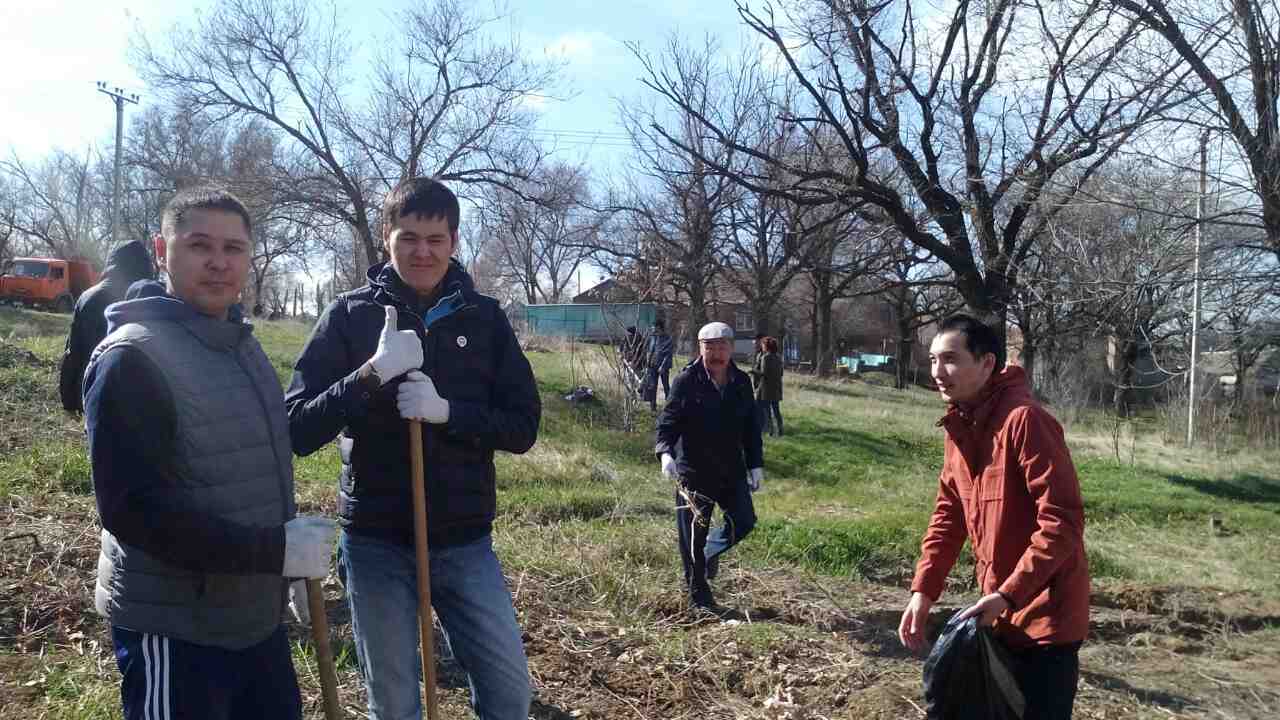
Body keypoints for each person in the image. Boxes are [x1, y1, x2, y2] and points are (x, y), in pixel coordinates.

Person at [286, 177, 540, 720]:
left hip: (465, 539)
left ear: (454, 242)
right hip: (376, 540)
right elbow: (297, 430)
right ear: (386, 238)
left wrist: (448, 412)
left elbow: (523, 427)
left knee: (509, 694)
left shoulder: (485, 318)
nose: (422, 251)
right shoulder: (349, 316)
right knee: (395, 704)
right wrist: (371, 375)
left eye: (436, 239)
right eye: (408, 237)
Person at [82, 187, 336, 720]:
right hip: (176, 629)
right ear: (161, 249)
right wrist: (274, 552)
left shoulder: (242, 346)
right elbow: (134, 512)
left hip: (253, 621)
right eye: (200, 245)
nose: (219, 263)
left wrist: (282, 569)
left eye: (234, 249)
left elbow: (251, 467)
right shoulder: (133, 358)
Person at [899, 314, 1089, 720]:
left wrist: (1008, 595)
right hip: (999, 615)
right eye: (933, 360)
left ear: (987, 364)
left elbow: (1062, 522)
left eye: (949, 359)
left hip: (1045, 623)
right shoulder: (960, 425)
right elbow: (948, 517)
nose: (937, 372)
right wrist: (923, 591)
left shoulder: (1025, 421)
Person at [655, 321, 763, 610]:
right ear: (700, 348)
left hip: (731, 470)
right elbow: (668, 422)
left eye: (721, 346)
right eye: (709, 347)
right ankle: (699, 599)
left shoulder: (742, 382)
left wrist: (755, 465)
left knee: (743, 521)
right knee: (692, 540)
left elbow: (751, 426)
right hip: (694, 472)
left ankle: (712, 551)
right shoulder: (686, 381)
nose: (715, 353)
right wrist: (665, 453)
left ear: (731, 348)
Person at [59, 239, 154, 413]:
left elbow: (73, 350)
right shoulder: (145, 298)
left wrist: (69, 399)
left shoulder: (87, 296)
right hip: (132, 400)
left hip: (88, 391)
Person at [755, 336, 784, 437]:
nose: (762, 347)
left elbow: (763, 373)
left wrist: (754, 372)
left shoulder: (765, 357)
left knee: (767, 411)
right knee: (776, 410)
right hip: (776, 387)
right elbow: (781, 373)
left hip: (766, 388)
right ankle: (780, 430)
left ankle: (771, 431)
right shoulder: (779, 357)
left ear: (767, 346)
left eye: (763, 345)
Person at [646, 318, 674, 411]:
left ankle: (669, 406)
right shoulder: (653, 337)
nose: (652, 328)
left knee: (666, 386)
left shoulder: (668, 339)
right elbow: (650, 351)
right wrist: (648, 364)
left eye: (653, 326)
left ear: (658, 327)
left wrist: (662, 366)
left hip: (663, 367)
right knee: (653, 386)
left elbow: (668, 354)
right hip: (653, 366)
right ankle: (653, 407)